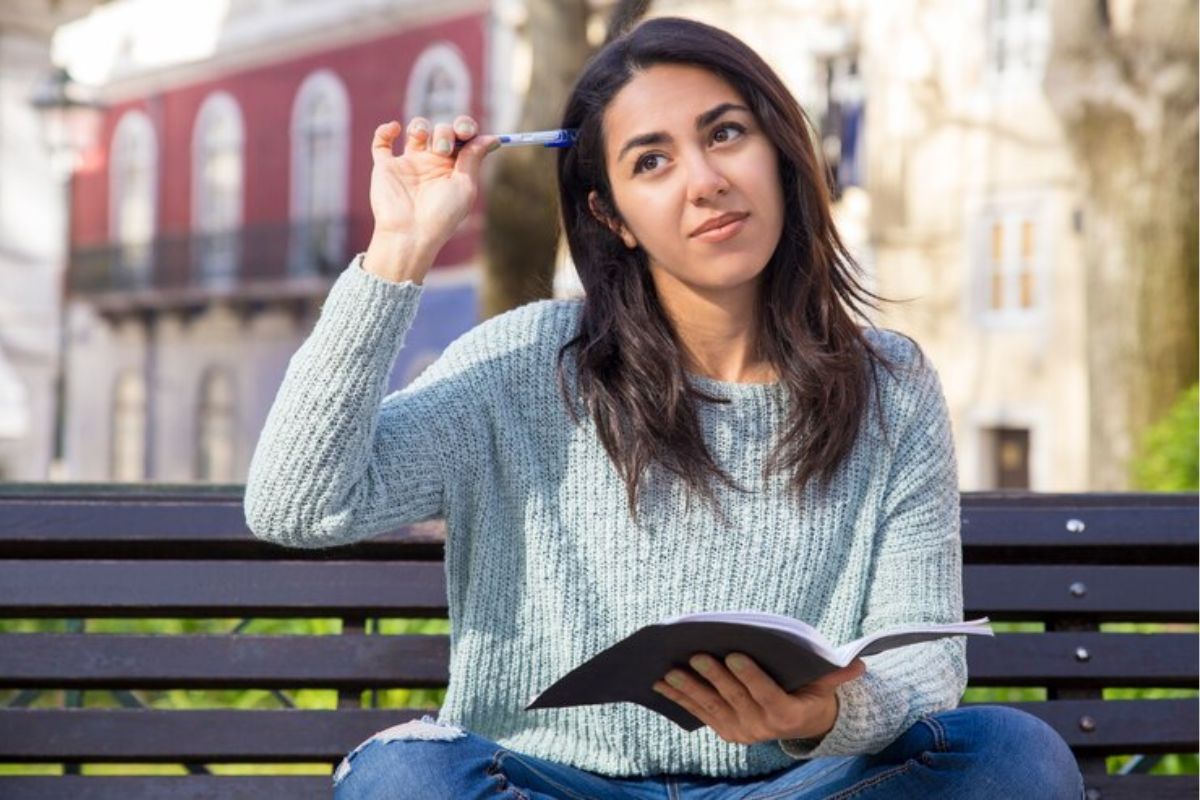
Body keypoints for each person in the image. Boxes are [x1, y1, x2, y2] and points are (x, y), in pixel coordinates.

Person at [244, 16, 1085, 800]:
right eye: (652, 160)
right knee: (403, 779)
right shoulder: (524, 361)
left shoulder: (889, 384)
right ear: (613, 218)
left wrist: (821, 718)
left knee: (1012, 755)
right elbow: (297, 503)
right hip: (548, 782)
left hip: (797, 785)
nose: (707, 181)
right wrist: (401, 247)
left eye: (725, 134)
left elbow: (928, 655)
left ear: (779, 151)